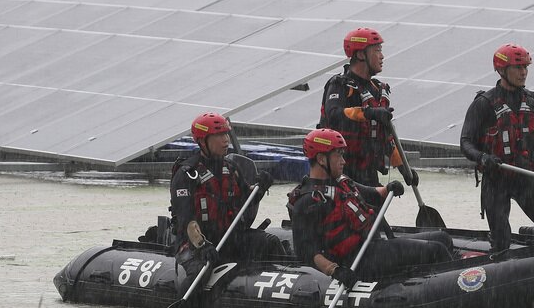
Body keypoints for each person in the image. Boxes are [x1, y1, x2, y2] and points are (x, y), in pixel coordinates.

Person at [287, 128, 451, 287]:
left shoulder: (340, 181)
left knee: (442, 238)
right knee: (437, 250)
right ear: (322, 159)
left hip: (374, 245)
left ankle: (424, 283)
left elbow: (371, 193)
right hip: (358, 260)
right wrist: (334, 270)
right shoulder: (307, 201)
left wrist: (389, 189)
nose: (343, 161)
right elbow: (305, 251)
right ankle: (450, 291)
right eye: (338, 155)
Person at [459, 43, 534, 253]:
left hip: (527, 178)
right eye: (518, 68)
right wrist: (483, 158)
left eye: (526, 68)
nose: (523, 73)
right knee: (502, 243)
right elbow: (465, 143)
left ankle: (530, 233)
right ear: (502, 70)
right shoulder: (483, 104)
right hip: (497, 181)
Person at [170, 112, 282, 288]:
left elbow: (247, 200)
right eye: (219, 135)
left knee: (271, 243)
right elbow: (186, 220)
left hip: (229, 237)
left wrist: (262, 186)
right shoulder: (187, 175)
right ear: (202, 141)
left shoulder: (231, 168)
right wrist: (203, 245)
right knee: (200, 273)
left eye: (227, 134)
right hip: (195, 243)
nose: (226, 140)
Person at [318, 27, 420, 188]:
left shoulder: (378, 91)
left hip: (368, 174)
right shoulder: (339, 85)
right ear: (360, 54)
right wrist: (369, 113)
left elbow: (386, 137)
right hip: (340, 175)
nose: (382, 56)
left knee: (376, 211)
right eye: (377, 50)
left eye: (381, 50)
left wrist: (403, 167)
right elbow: (334, 115)